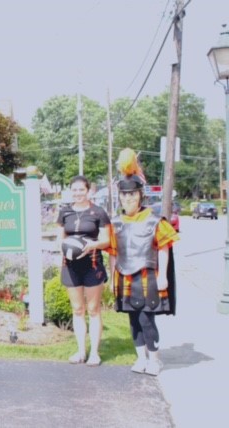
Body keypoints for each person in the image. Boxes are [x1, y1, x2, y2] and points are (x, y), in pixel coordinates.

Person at [109, 148, 178, 376]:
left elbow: (164, 248)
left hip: (147, 277)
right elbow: (113, 252)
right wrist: (112, 279)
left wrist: (162, 277)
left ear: (141, 195)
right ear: (120, 196)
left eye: (133, 195)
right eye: (125, 195)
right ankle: (140, 359)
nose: (128, 198)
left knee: (146, 320)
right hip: (124, 276)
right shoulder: (116, 222)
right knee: (133, 321)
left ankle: (155, 360)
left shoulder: (154, 221)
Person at [57, 175, 111, 366]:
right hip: (70, 266)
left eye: (82, 189)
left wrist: (91, 245)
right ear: (70, 191)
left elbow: (107, 240)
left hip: (92, 265)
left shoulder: (98, 213)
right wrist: (65, 246)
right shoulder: (65, 212)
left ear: (89, 191)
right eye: (75, 190)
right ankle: (80, 351)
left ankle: (94, 353)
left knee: (93, 309)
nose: (78, 193)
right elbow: (60, 237)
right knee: (78, 309)